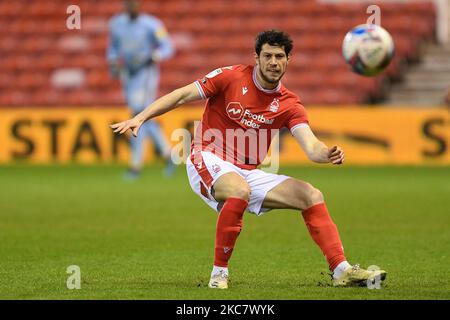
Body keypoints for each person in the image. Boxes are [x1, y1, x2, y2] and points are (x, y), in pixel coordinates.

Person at [110, 30, 387, 288]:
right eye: (267, 55)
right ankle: (219, 274)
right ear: (256, 58)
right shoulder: (230, 77)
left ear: (289, 60)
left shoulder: (290, 104)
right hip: (207, 156)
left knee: (311, 195)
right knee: (238, 190)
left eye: (280, 56)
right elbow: (182, 95)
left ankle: (342, 270)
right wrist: (140, 117)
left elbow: (311, 146)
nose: (273, 62)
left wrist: (326, 154)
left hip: (246, 170)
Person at [107, 0, 175, 179]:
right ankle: (168, 154)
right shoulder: (116, 24)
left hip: (146, 72)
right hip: (127, 72)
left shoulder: (151, 24)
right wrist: (113, 62)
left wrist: (155, 56)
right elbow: (113, 48)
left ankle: (136, 164)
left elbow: (167, 47)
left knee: (137, 114)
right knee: (142, 116)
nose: (131, 6)